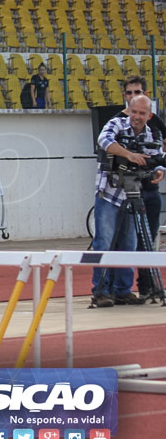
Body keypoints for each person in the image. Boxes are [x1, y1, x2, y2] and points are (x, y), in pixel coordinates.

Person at [90, 94, 161, 307]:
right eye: (134, 112)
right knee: (104, 241)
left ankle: (123, 290)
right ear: (128, 110)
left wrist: (159, 171)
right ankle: (101, 291)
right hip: (109, 193)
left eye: (141, 113)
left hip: (132, 193)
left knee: (129, 244)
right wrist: (128, 154)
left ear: (149, 115)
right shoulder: (116, 124)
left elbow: (155, 158)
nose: (136, 117)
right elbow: (103, 141)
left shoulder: (152, 133)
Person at [113, 76, 166, 297]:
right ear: (124, 96)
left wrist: (161, 167)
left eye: (138, 92)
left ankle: (147, 284)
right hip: (127, 189)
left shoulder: (155, 121)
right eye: (129, 93)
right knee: (126, 240)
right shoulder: (117, 121)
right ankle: (118, 288)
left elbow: (161, 151)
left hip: (150, 189)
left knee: (148, 237)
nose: (133, 97)